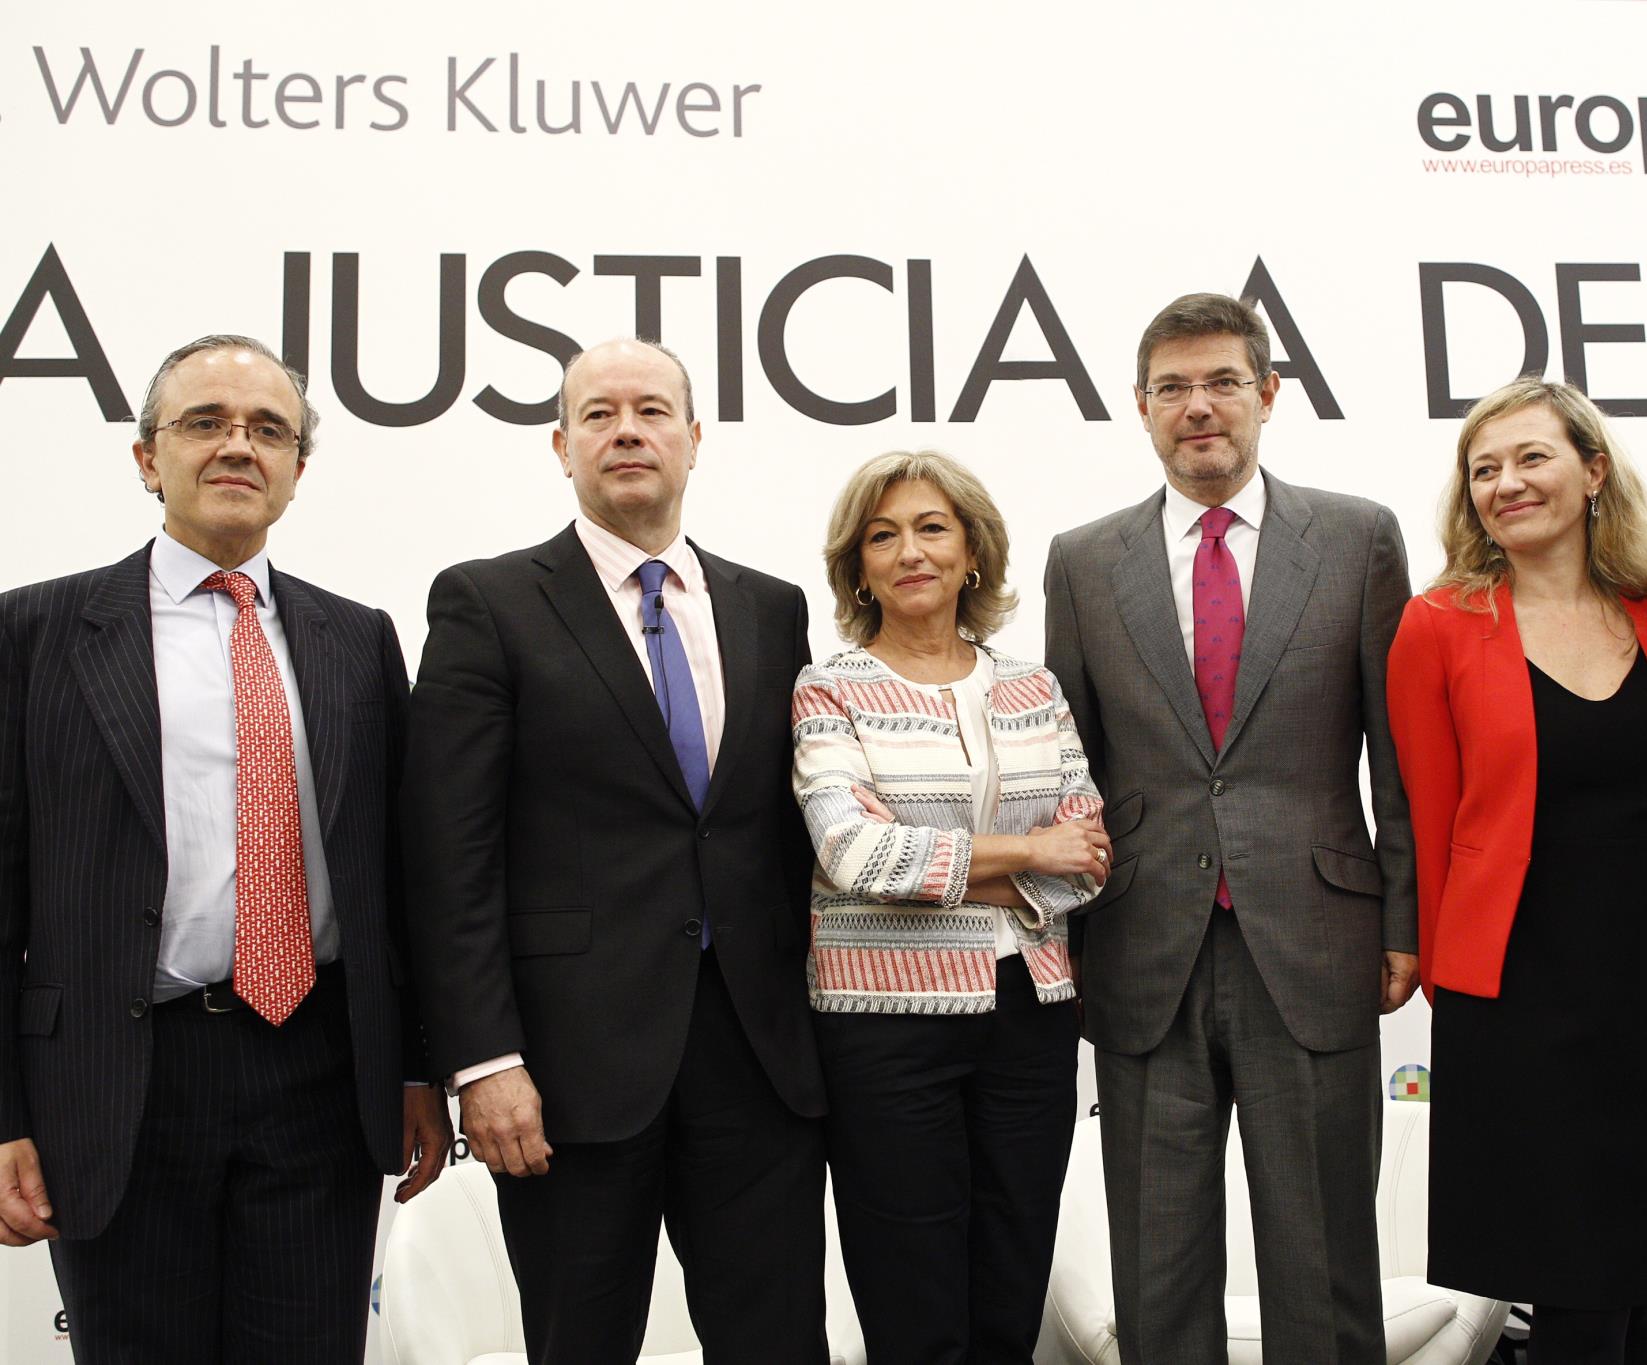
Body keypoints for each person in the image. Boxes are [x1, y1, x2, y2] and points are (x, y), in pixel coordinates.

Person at [0, 335, 450, 1361]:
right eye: (204, 422)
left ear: (297, 469)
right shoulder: (34, 634)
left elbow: (399, 883)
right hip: (118, 1080)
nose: (237, 446)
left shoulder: (358, 640)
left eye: (267, 430)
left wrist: (415, 1069)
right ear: (146, 458)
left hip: (319, 1074)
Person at [402, 337, 829, 1363]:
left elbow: (784, 834)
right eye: (598, 414)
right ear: (561, 447)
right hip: (567, 1070)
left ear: (694, 439)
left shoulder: (771, 608)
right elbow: (448, 856)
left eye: (650, 411)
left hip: (756, 1058)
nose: (626, 431)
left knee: (777, 1342)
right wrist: (483, 1060)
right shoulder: (487, 602)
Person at [1042, 292, 1416, 1364]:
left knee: (1324, 1264)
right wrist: (1067, 938)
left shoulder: (1356, 537)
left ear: (1267, 394)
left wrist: (1405, 920)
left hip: (1315, 941)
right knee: (1155, 1276)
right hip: (1140, 951)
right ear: (1140, 408)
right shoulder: (1083, 560)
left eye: (1219, 382)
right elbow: (1069, 772)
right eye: (1172, 388)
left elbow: (1397, 754)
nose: (1196, 407)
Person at [1387, 377, 1647, 1364]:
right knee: (1569, 1274)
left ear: (1593, 470)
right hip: (1515, 992)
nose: (1506, 483)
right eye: (1484, 469)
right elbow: (1428, 819)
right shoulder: (1436, 625)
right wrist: (1438, 971)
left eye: (1532, 457)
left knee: (1640, 1260)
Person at [791, 449, 1107, 1364]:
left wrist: (947, 872)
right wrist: (1026, 853)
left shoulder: (1033, 687)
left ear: (972, 552)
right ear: (858, 567)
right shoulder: (829, 688)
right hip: (883, 1023)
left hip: (1030, 1016)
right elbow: (855, 851)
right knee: (912, 1298)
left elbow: (1090, 855)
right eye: (882, 536)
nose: (910, 552)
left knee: (1012, 1279)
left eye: (932, 528)